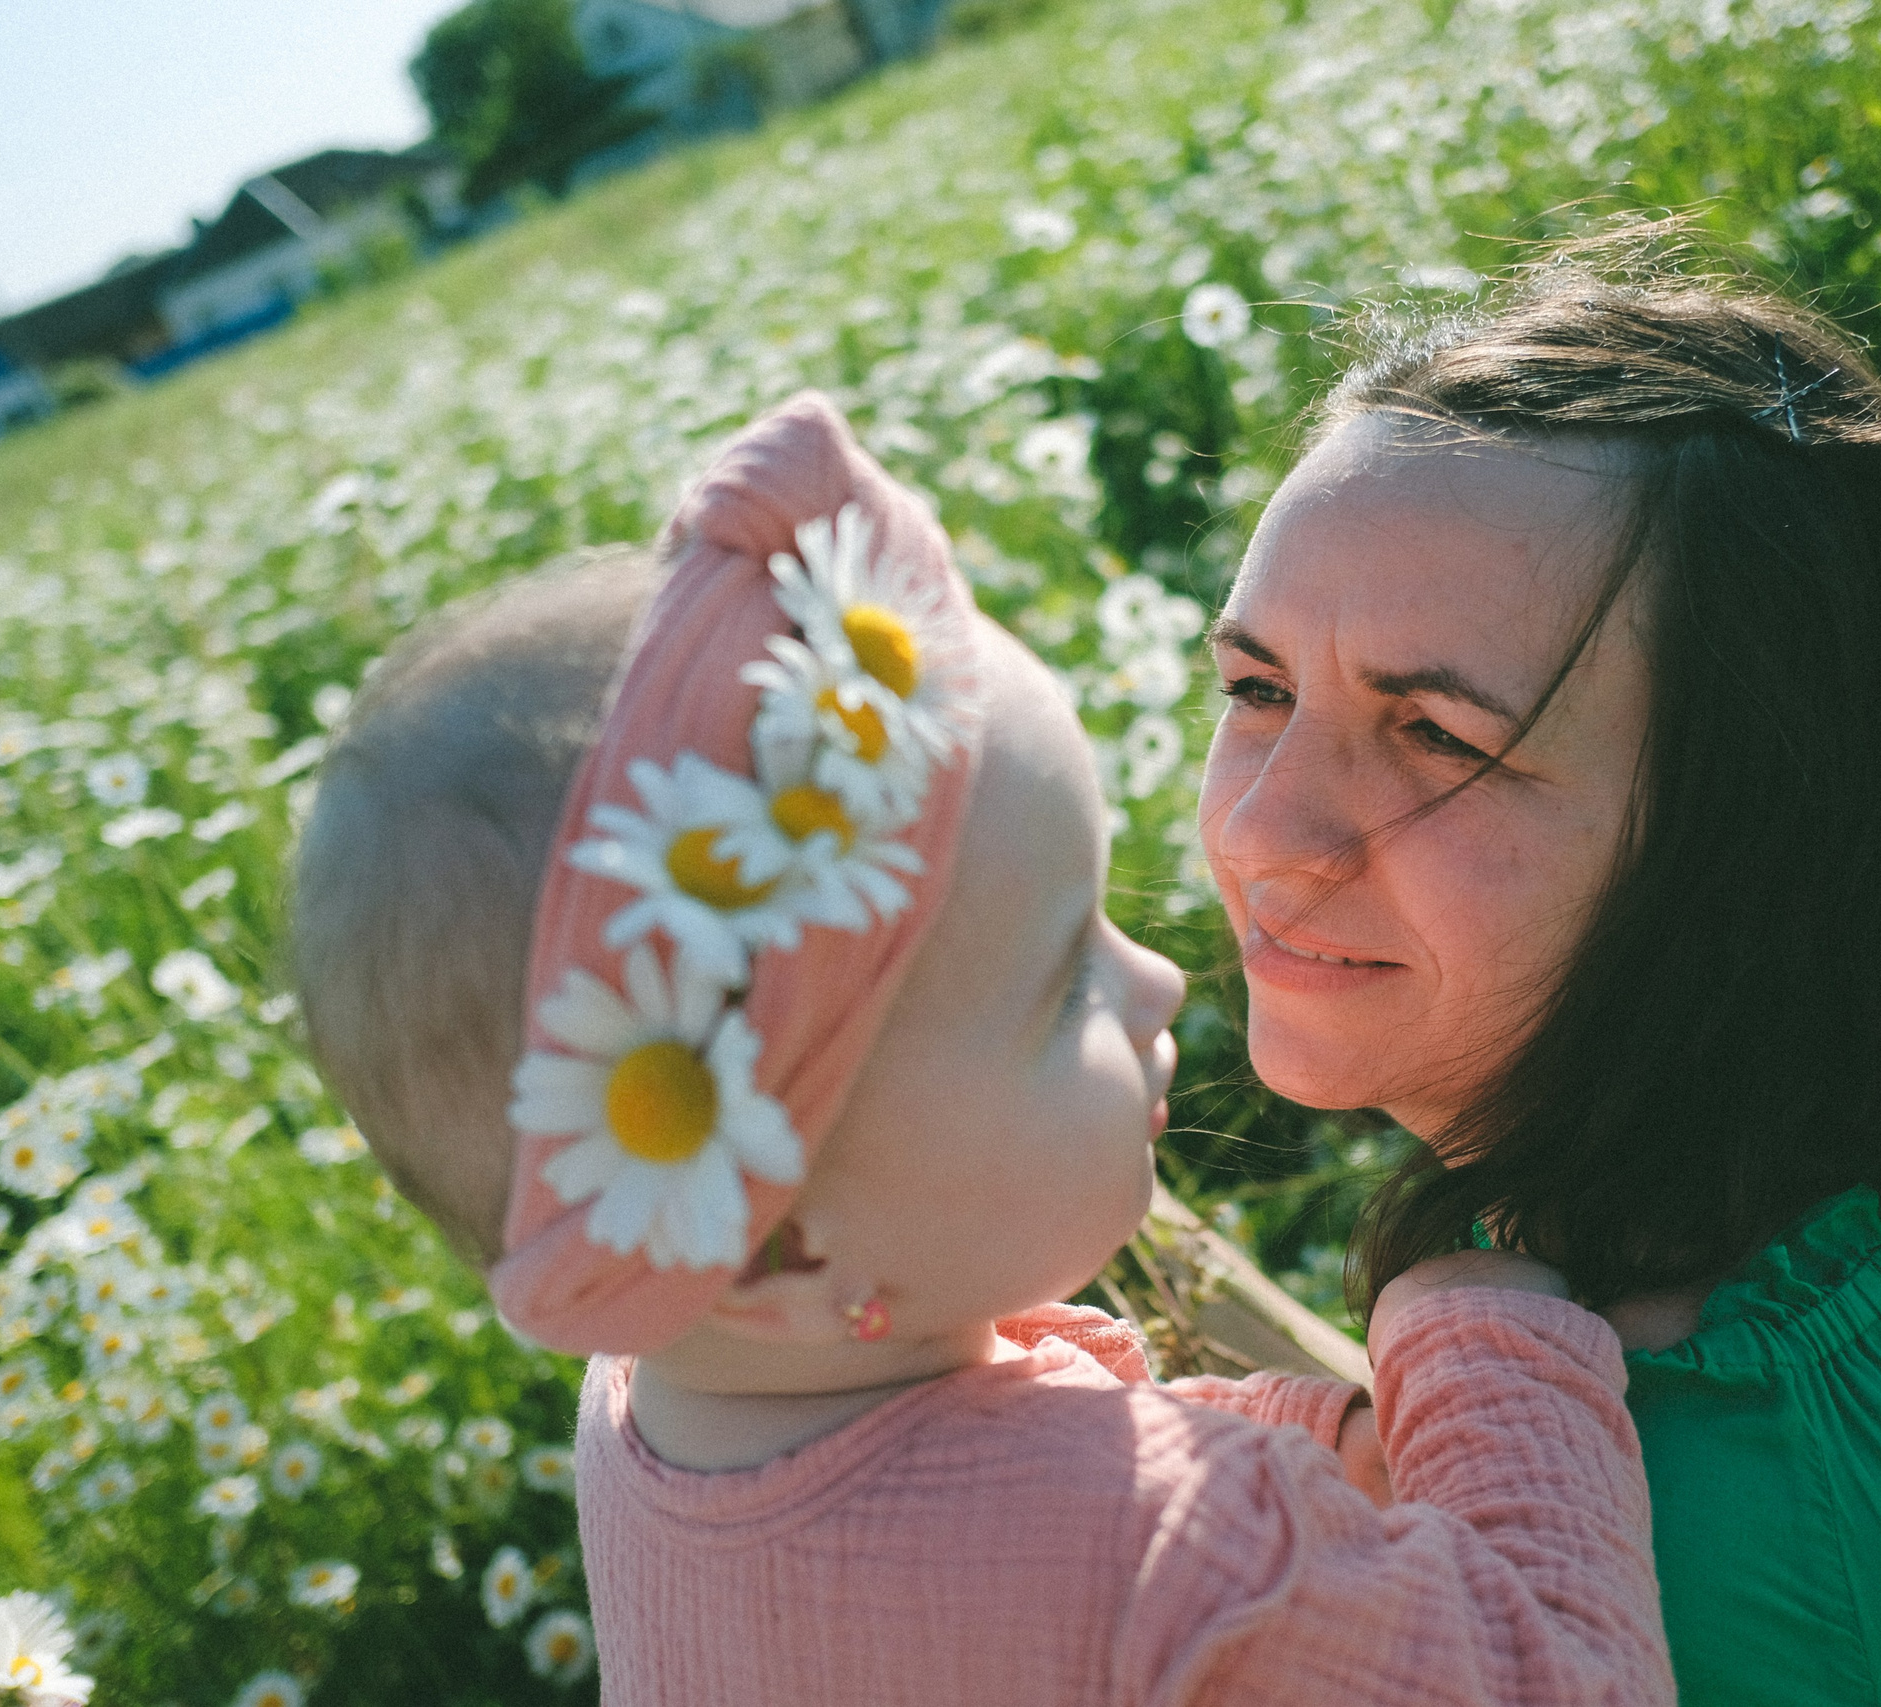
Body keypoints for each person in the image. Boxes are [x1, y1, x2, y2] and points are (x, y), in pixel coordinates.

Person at [291, 393, 1675, 1705]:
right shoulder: (1173, 1559)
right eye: (1059, 979)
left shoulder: (662, 1406)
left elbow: (989, 1468)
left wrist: (1294, 1443)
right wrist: (1480, 1337)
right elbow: (1574, 1678)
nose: (1152, 982)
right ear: (782, 1246)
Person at [1197, 229, 1881, 1705]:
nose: (1263, 832)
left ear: (1748, 831)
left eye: (1438, 734)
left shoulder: (1633, 1579)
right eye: (1257, 688)